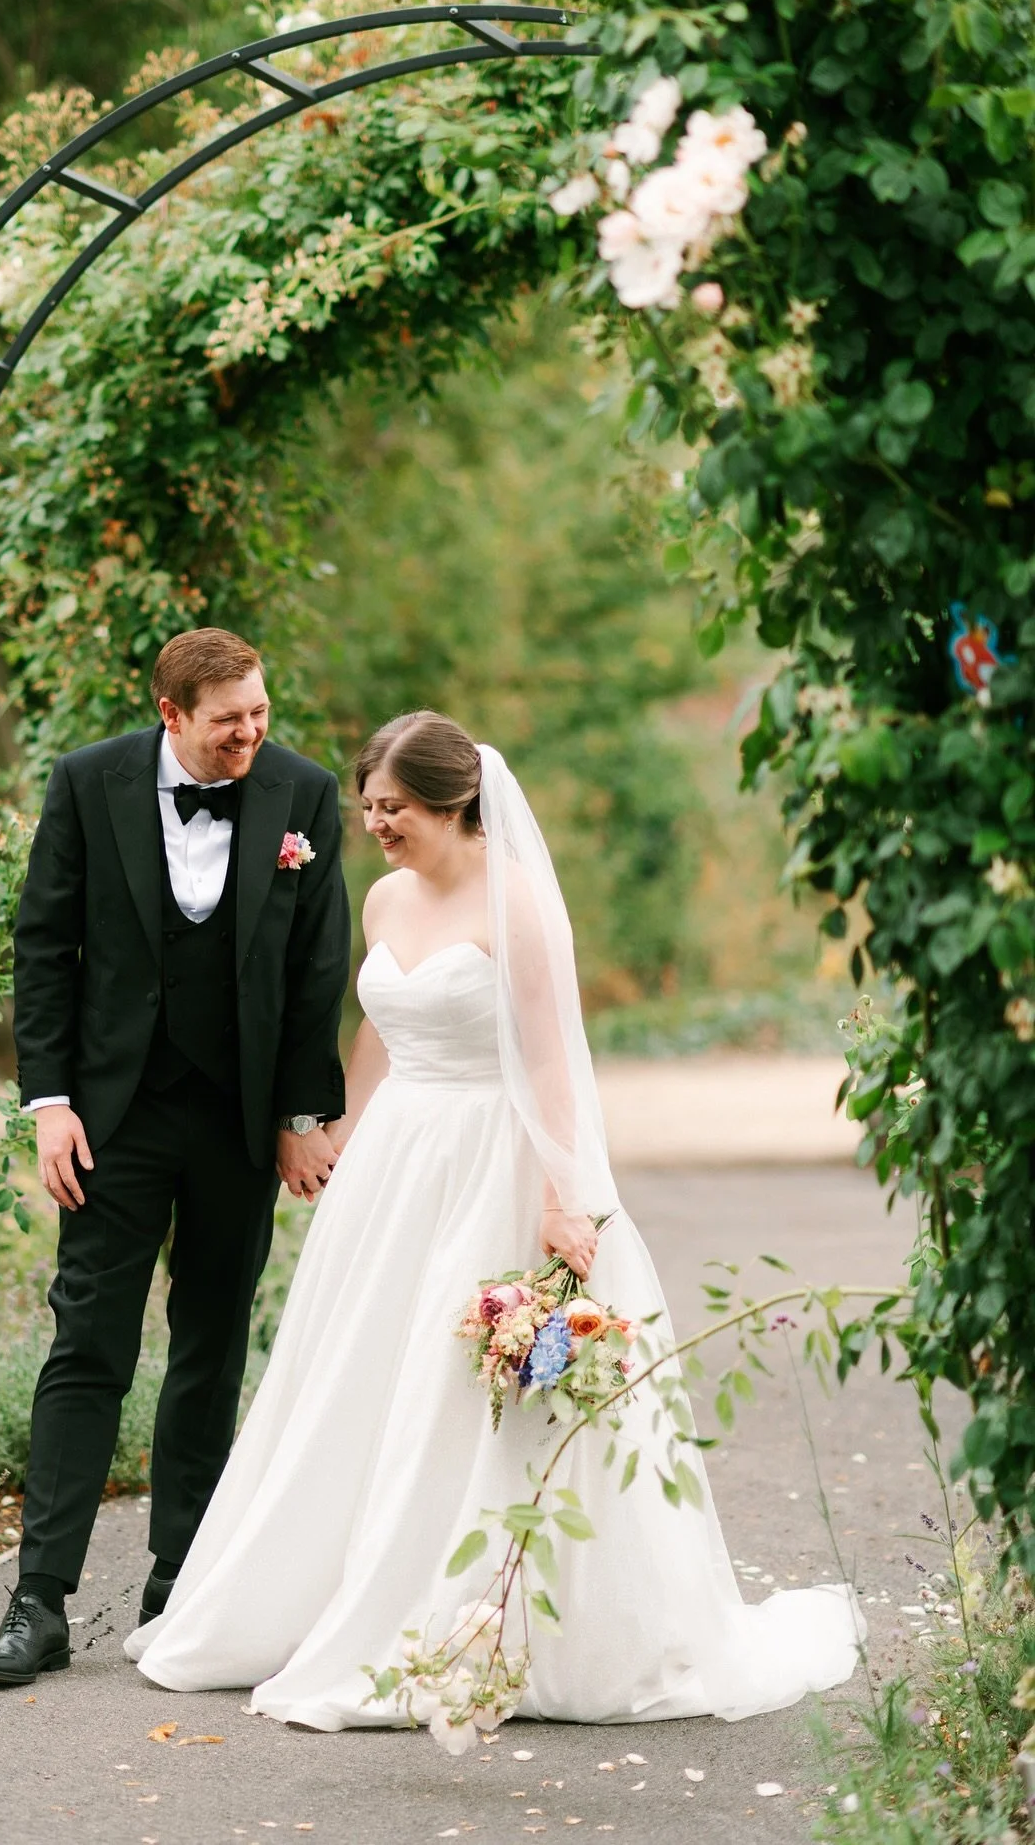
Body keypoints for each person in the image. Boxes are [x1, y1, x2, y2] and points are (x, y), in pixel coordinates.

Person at [126, 711, 864, 1730]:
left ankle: (471, 1614)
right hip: (398, 1164)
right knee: (361, 1370)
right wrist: (340, 1129)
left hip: (494, 1155)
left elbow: (553, 1055)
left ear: (452, 803)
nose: (377, 824)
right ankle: (322, 1592)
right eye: (371, 807)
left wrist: (566, 1191)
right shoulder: (384, 898)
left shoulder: (516, 900)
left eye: (396, 808)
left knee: (460, 1381)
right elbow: (383, 1031)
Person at [0, 628, 350, 1688]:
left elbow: (320, 963)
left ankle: (181, 1585)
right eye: (231, 718)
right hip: (112, 1119)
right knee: (86, 1341)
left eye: (261, 712)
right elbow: (44, 944)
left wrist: (304, 1111)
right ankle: (37, 1602)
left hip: (238, 1120)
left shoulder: (303, 794)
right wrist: (49, 1102)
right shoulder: (89, 782)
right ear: (172, 710)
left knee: (211, 1345)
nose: (253, 733)